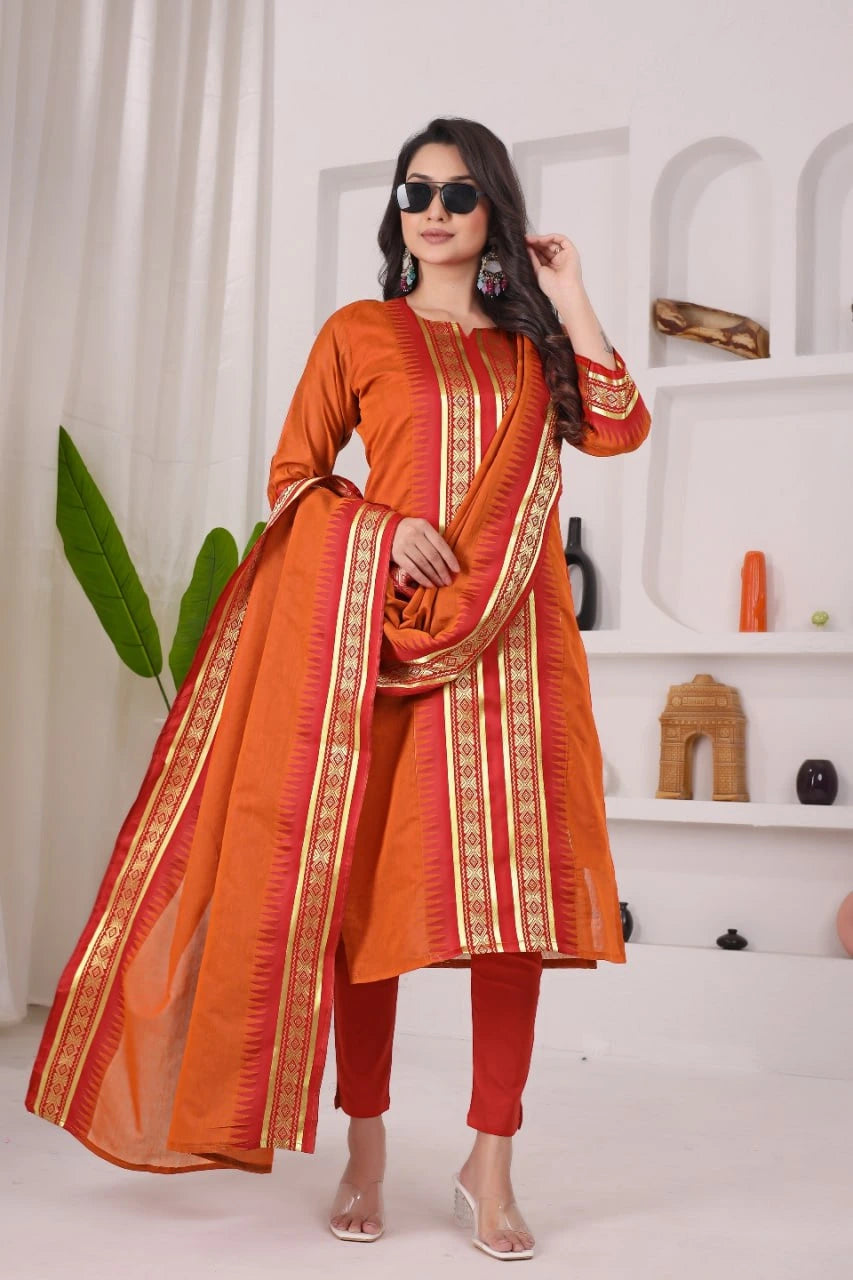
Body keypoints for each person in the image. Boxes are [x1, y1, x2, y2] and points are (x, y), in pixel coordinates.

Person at [26, 117, 650, 1263]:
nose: (434, 210)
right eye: (416, 191)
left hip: (513, 652)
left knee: (505, 920)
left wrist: (571, 299)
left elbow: (615, 428)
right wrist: (385, 525)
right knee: (369, 914)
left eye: (460, 195)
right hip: (386, 649)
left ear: (493, 210)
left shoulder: (529, 349)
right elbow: (294, 478)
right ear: (397, 208)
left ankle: (489, 1160)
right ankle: (365, 1145)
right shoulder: (360, 331)